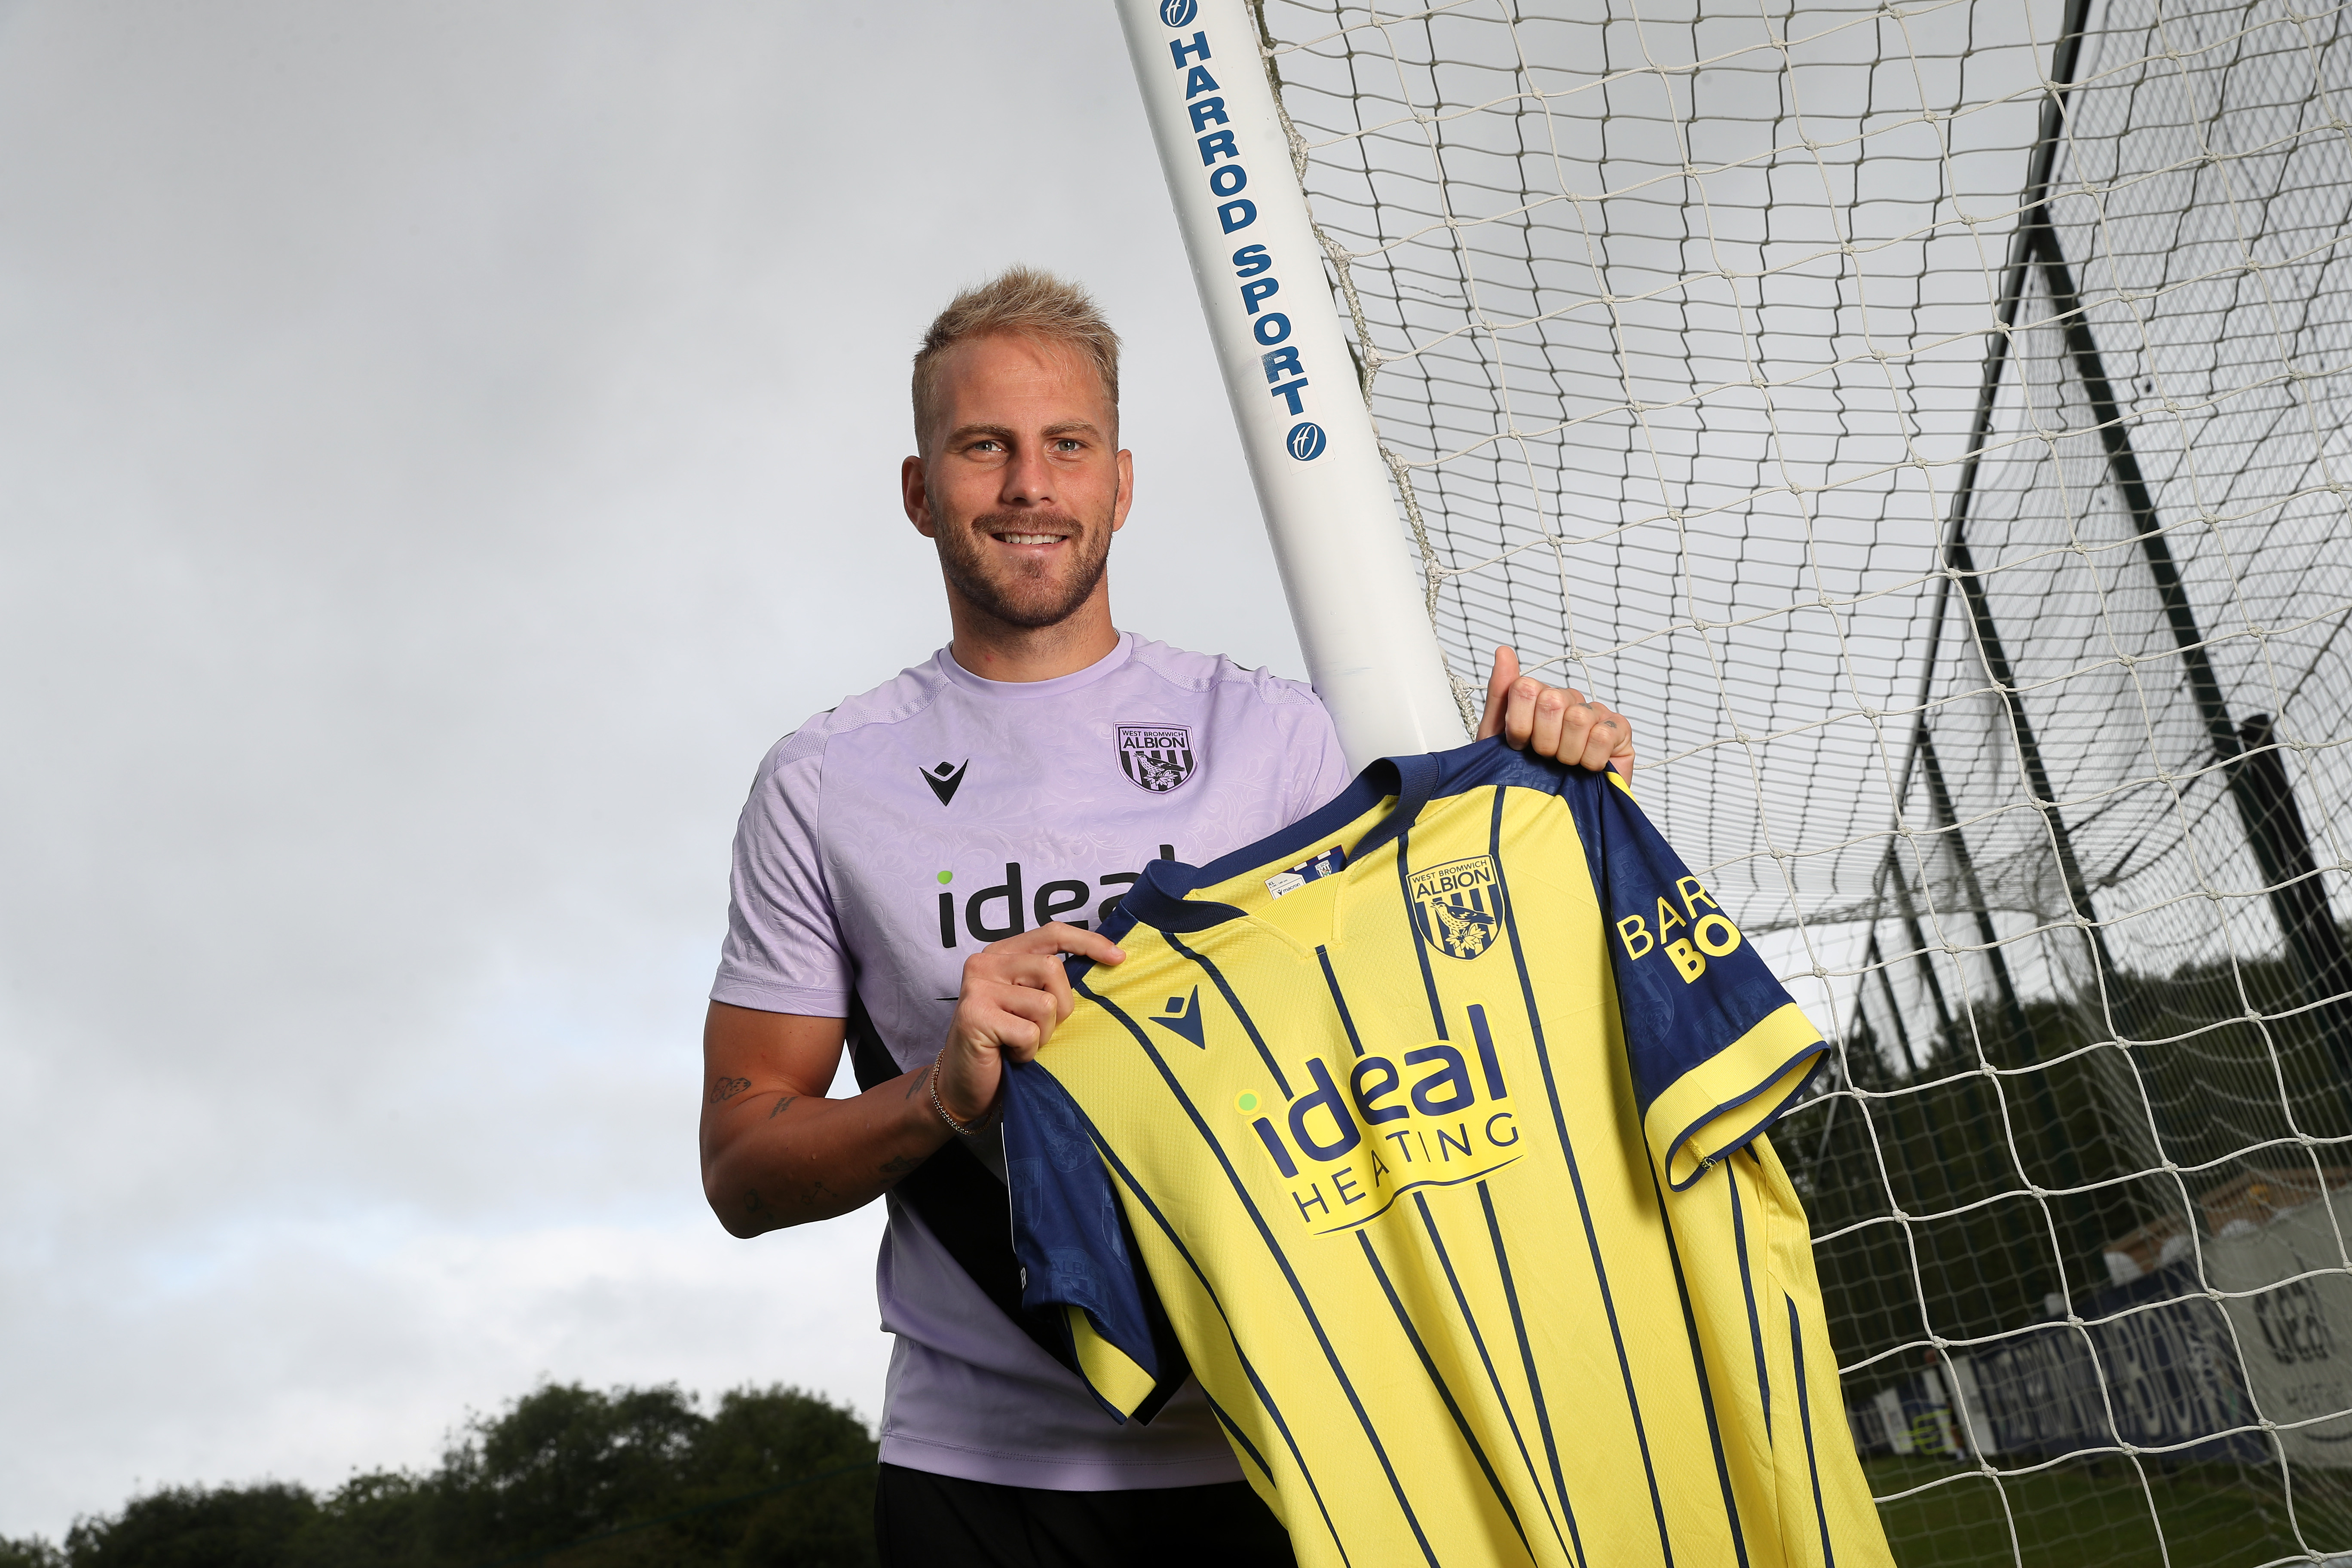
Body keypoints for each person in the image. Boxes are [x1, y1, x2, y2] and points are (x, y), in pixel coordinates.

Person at [699, 267, 1634, 1568]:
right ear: (921, 491)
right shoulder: (823, 783)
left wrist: (1537, 803)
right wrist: (942, 1095)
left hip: (1301, 1433)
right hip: (984, 1480)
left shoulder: (1276, 735)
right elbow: (742, 1169)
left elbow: (1447, 1015)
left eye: (1065, 446)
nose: (1030, 485)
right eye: (985, 447)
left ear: (1120, 483)